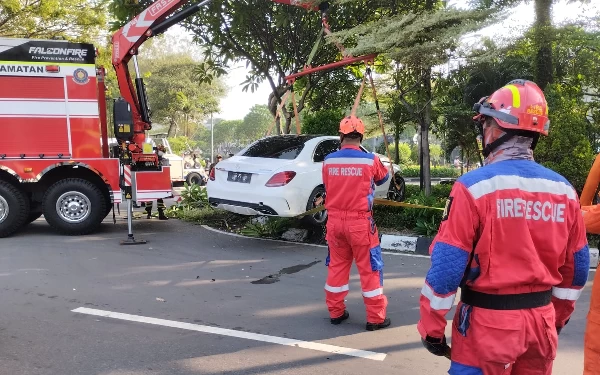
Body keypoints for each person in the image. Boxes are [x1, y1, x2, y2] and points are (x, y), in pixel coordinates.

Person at [417, 79, 590, 374]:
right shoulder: (564, 191)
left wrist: (432, 329)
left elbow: (447, 268)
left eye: (485, 124)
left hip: (486, 327)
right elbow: (577, 269)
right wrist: (554, 318)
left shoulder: (472, 188)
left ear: (496, 127)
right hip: (541, 325)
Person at [321, 115, 391, 331]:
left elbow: (327, 184)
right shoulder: (370, 159)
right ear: (361, 136)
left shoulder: (329, 160)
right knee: (370, 269)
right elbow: (383, 178)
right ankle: (375, 318)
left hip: (334, 222)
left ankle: (336, 312)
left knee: (337, 267)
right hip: (360, 224)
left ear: (340, 136)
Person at [145, 144, 169, 220]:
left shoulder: (163, 160)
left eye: (162, 151)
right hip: (153, 180)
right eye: (161, 151)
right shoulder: (151, 158)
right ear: (157, 151)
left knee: (159, 198)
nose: (161, 152)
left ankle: (159, 213)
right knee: (152, 198)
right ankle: (150, 213)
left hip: (157, 181)